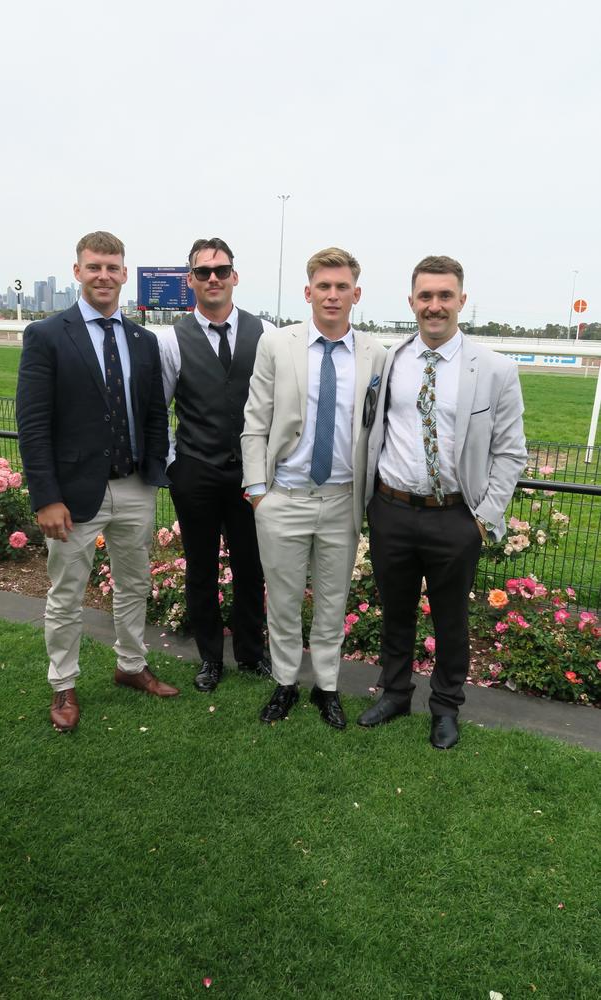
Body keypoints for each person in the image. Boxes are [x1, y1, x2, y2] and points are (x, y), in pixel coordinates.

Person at [358, 255, 526, 748]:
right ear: (411, 302)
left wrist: (483, 518)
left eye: (445, 296)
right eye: (425, 296)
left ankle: (446, 706)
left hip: (456, 517)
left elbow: (510, 451)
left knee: (450, 619)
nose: (435, 306)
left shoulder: (494, 369)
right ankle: (393, 693)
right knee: (395, 612)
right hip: (391, 510)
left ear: (461, 301)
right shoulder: (389, 361)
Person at [16, 230, 179, 733]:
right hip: (73, 494)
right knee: (67, 593)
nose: (104, 275)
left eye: (112, 267)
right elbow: (33, 423)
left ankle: (131, 666)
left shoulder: (143, 340)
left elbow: (155, 413)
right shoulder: (47, 336)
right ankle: (63, 683)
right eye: (94, 267)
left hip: (133, 486)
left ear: (125, 274)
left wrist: (154, 471)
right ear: (78, 271)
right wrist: (46, 495)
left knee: (134, 584)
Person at [242, 247, 386, 729]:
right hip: (284, 498)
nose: (332, 294)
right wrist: (260, 493)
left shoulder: (376, 356)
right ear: (308, 292)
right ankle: (285, 683)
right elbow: (255, 419)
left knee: (332, 602)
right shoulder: (278, 345)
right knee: (281, 602)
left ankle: (326, 687)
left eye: (341, 286)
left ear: (356, 294)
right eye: (323, 286)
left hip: (342, 502)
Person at [156, 237, 272, 693]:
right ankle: (209, 659)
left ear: (234, 276)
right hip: (196, 473)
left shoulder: (265, 334)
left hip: (251, 475)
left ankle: (250, 654)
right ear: (191, 281)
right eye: (203, 272)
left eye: (221, 270)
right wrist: (174, 465)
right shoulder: (172, 340)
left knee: (251, 569)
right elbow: (158, 409)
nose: (213, 279)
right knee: (200, 570)